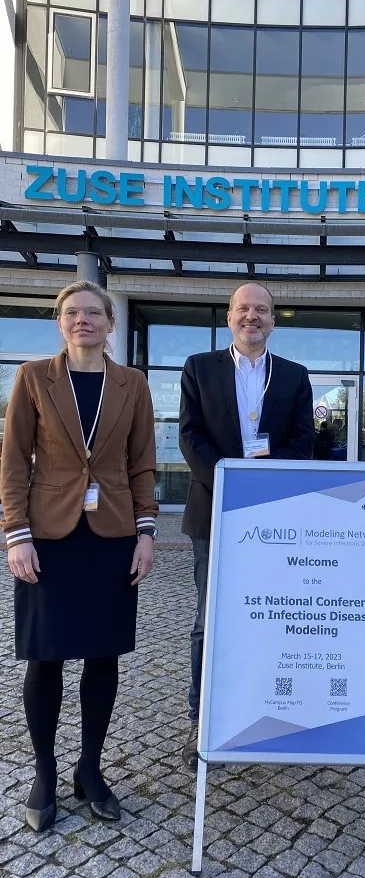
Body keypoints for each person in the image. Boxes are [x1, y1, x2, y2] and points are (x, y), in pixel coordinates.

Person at [1, 280, 158, 833]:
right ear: (60, 321)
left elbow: (142, 462)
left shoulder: (132, 384)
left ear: (110, 324)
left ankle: (90, 768)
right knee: (45, 657)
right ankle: (44, 772)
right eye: (72, 312)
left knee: (103, 656)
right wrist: (16, 533)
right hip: (48, 537)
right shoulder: (32, 378)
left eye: (94, 312)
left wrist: (146, 532)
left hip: (112, 537)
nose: (82, 320)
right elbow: (16, 460)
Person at [179, 281, 314, 769]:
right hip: (213, 514)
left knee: (271, 616)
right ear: (229, 317)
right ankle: (204, 720)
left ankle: (267, 712)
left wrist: (261, 491)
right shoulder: (199, 367)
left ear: (273, 320)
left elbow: (304, 443)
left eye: (262, 310)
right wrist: (232, 485)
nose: (252, 316)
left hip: (274, 517)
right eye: (243, 309)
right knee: (209, 620)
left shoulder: (295, 376)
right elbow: (191, 438)